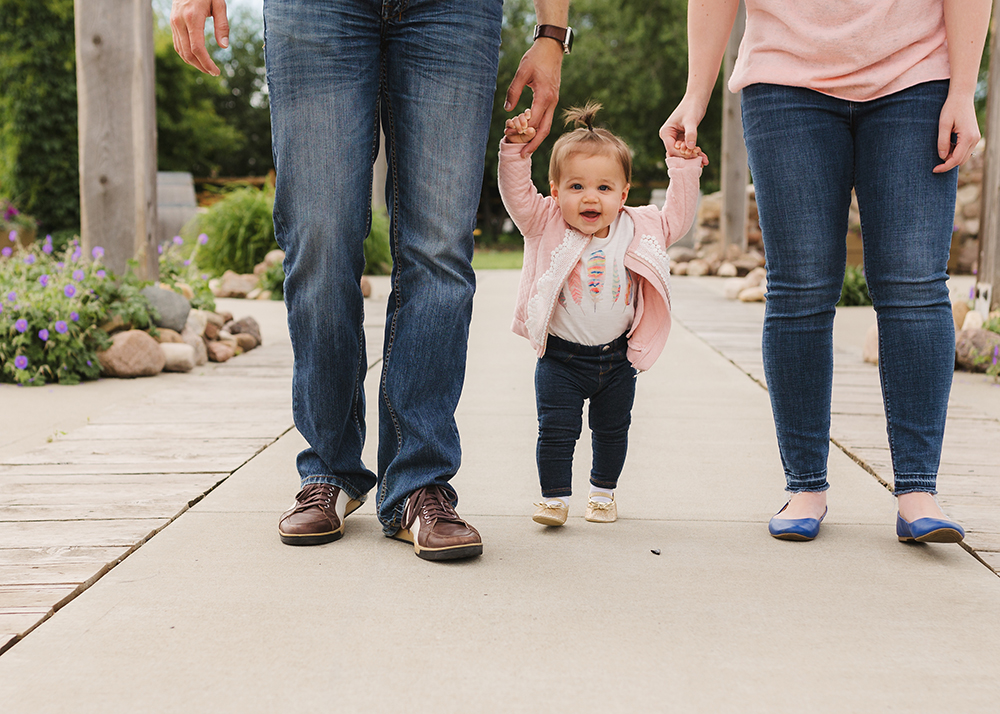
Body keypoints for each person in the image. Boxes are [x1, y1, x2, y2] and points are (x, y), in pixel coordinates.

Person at [171, 0, 570, 560]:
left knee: (440, 249)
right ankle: (329, 471)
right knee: (319, 238)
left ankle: (418, 481)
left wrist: (552, 31)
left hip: (454, 12)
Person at [660, 0, 991, 542]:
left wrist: (962, 89)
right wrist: (696, 93)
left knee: (914, 286)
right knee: (800, 287)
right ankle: (805, 485)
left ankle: (917, 492)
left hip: (916, 77)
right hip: (785, 79)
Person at [499, 103, 705, 526]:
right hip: (560, 359)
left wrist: (682, 167)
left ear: (623, 193)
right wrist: (515, 152)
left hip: (615, 359)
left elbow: (679, 217)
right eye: (576, 186)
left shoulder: (640, 226)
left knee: (612, 432)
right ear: (555, 191)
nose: (590, 197)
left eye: (604, 188)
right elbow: (518, 197)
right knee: (556, 432)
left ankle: (603, 493)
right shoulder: (544, 220)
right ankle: (554, 498)